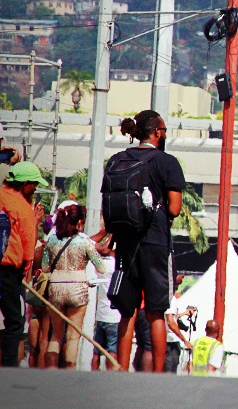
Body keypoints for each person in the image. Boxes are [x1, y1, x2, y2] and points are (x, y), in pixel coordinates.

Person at [107, 109, 186, 373]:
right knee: (156, 311)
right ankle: (157, 375)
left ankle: (120, 369)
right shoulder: (167, 162)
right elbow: (174, 208)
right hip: (155, 243)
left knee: (127, 312)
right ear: (157, 132)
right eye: (163, 130)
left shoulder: (117, 159)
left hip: (125, 242)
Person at [42, 203, 105, 368]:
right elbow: (101, 267)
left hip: (55, 288)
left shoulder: (53, 239)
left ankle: (51, 371)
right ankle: (70, 373)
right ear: (79, 222)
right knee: (73, 336)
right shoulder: (85, 241)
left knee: (55, 335)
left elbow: (45, 267)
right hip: (78, 289)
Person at [0, 162, 45, 367]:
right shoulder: (23, 207)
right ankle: (8, 369)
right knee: (15, 322)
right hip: (8, 270)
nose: (34, 188)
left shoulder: (1, 196)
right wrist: (24, 274)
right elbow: (28, 249)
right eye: (34, 184)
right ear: (25, 183)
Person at [88, 232, 121, 371]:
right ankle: (110, 377)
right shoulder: (117, 267)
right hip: (114, 316)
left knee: (96, 351)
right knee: (112, 351)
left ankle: (93, 374)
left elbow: (98, 249)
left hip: (100, 315)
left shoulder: (100, 266)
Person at [164, 282, 194, 373]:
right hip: (170, 341)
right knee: (170, 371)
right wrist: (184, 340)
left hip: (167, 340)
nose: (183, 278)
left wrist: (184, 313)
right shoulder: (171, 298)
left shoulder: (163, 297)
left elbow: (170, 317)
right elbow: (171, 322)